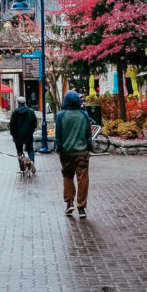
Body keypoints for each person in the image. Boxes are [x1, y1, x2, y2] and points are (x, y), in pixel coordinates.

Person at [55, 90, 93, 218]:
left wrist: (59, 147)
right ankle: (81, 207)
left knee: (67, 176)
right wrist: (90, 146)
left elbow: (58, 135)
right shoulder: (84, 115)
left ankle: (69, 202)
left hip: (66, 152)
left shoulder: (61, 116)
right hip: (81, 151)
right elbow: (88, 134)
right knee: (83, 179)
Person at [9, 96, 38, 171]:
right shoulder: (31, 111)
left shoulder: (15, 112)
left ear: (18, 103)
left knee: (19, 151)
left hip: (17, 136)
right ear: (25, 103)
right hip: (28, 134)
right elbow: (34, 123)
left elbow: (12, 125)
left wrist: (13, 134)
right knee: (30, 149)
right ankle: (31, 161)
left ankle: (22, 167)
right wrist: (31, 131)